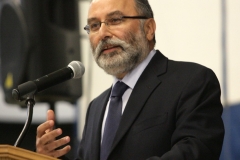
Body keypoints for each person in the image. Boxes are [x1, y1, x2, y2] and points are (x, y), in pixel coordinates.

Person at [36, 0, 225, 159]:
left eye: (115, 20)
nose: (102, 33)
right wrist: (49, 158)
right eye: (94, 26)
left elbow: (195, 152)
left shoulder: (192, 81)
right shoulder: (96, 107)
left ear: (149, 28)